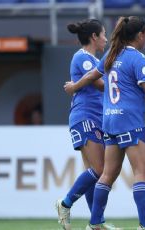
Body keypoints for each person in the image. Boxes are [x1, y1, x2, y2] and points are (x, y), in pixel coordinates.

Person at [64, 16, 145, 230]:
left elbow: (93, 75)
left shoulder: (111, 53)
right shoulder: (135, 57)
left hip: (109, 121)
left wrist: (74, 86)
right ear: (140, 35)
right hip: (130, 121)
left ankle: (94, 223)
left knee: (107, 175)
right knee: (141, 174)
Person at [56, 18, 110, 230]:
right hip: (85, 116)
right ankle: (65, 203)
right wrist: (123, 86)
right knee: (100, 169)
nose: (106, 38)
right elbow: (97, 83)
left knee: (92, 171)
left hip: (95, 117)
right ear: (94, 37)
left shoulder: (91, 59)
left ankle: (96, 224)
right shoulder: (84, 58)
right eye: (103, 34)